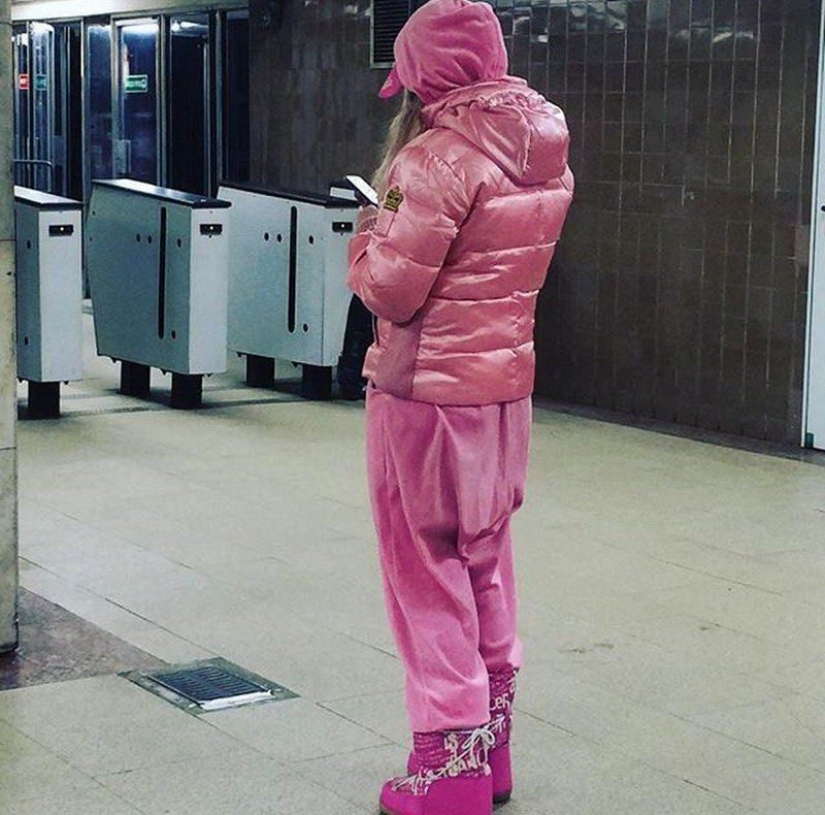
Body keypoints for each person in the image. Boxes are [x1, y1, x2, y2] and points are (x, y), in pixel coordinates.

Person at [347, 2, 574, 813]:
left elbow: (391, 292)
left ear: (424, 78)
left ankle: (447, 776)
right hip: (502, 393)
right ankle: (491, 755)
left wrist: (366, 233)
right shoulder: (544, 150)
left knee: (425, 572)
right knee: (485, 563)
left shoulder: (434, 160)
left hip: (426, 400)